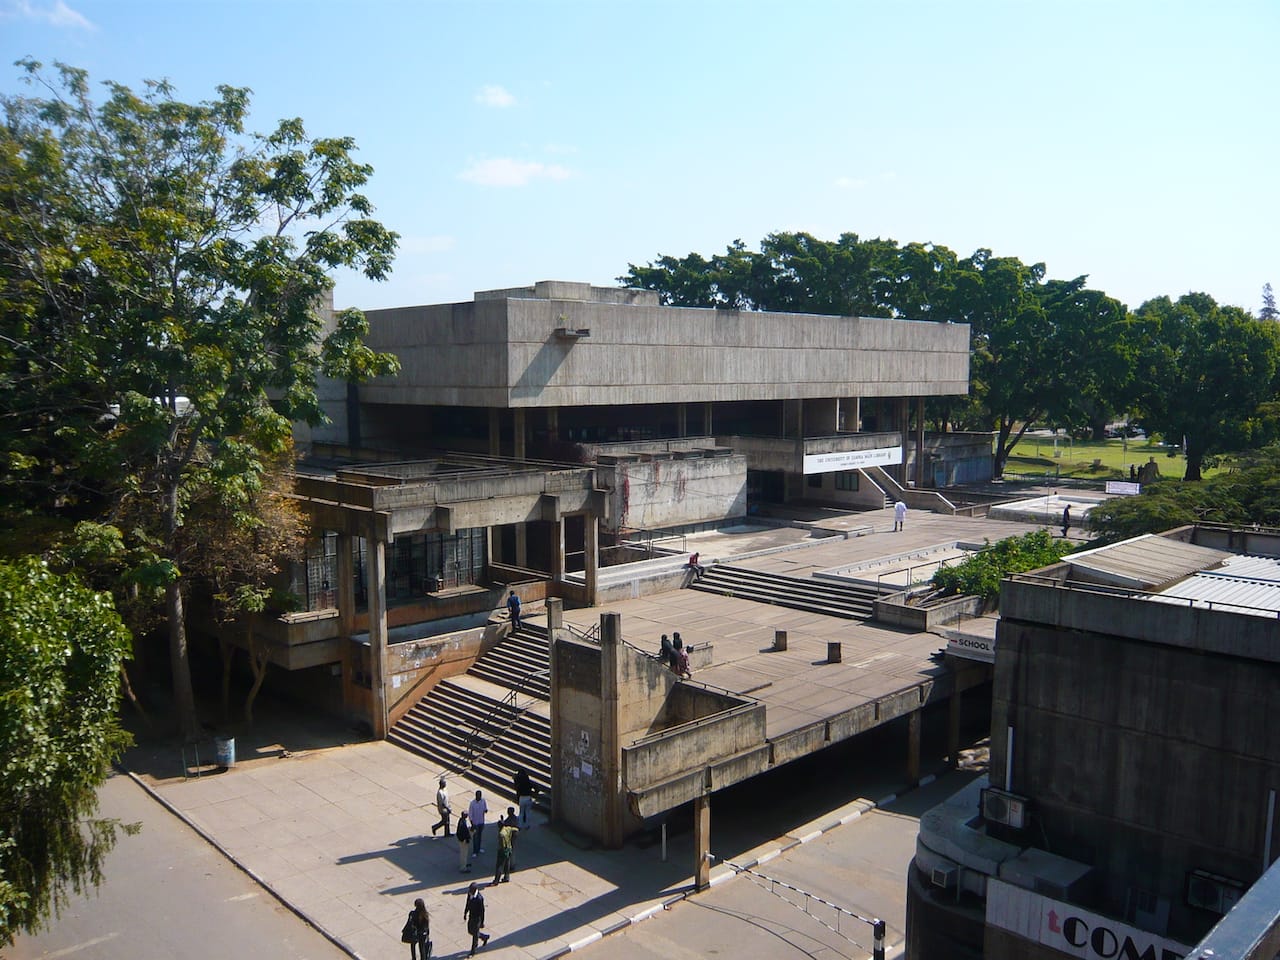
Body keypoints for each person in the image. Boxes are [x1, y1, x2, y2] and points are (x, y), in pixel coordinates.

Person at [464, 882, 490, 956]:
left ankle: (473, 951)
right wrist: (465, 912)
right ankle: (484, 937)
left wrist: (482, 922)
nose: (469, 891)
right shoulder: (470, 894)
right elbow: (467, 903)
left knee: (475, 934)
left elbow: (482, 911)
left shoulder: (479, 898)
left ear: (475, 890)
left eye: (471, 890)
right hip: (471, 916)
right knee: (470, 931)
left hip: (477, 918)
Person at [493, 819, 517, 884]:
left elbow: (503, 845)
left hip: (503, 850)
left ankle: (496, 880)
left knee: (499, 865)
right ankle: (506, 877)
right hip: (509, 848)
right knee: (507, 863)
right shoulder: (508, 828)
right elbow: (515, 829)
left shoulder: (501, 834)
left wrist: (502, 851)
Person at [468, 790, 488, 858]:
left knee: (480, 836)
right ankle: (475, 851)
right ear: (476, 795)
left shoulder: (483, 801)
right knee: (475, 837)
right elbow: (470, 814)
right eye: (478, 795)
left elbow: (485, 809)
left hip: (481, 822)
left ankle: (479, 848)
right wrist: (472, 823)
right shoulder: (472, 803)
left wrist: (485, 810)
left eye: (480, 795)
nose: (479, 797)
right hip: (475, 823)